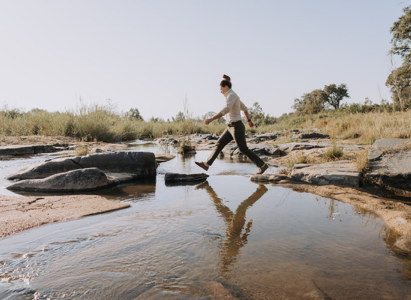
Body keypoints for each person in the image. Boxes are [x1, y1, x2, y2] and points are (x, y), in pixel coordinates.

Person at [195, 75, 268, 174]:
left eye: (221, 89)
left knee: (243, 149)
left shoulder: (232, 96)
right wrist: (249, 120)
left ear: (225, 87)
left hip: (237, 127)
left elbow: (226, 110)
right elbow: (245, 109)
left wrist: (211, 118)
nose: (220, 91)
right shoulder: (233, 96)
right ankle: (207, 164)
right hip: (230, 127)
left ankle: (262, 165)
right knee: (219, 144)